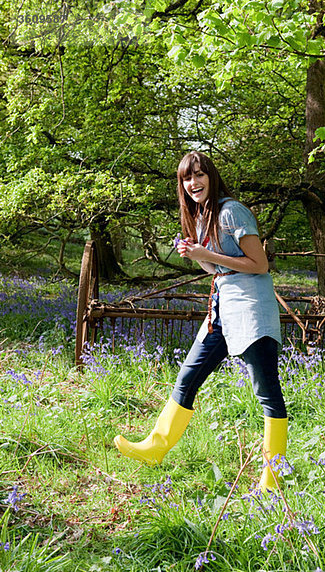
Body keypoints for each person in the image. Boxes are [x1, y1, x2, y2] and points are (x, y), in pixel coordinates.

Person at [114, 151, 288, 491]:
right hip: (222, 310)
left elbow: (259, 265)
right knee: (188, 376)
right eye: (186, 178)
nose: (193, 182)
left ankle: (272, 482)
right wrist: (196, 255)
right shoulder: (200, 217)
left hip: (251, 309)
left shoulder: (230, 211)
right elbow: (221, 267)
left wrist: (205, 254)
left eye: (199, 175)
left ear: (211, 176)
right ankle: (155, 448)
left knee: (266, 392)